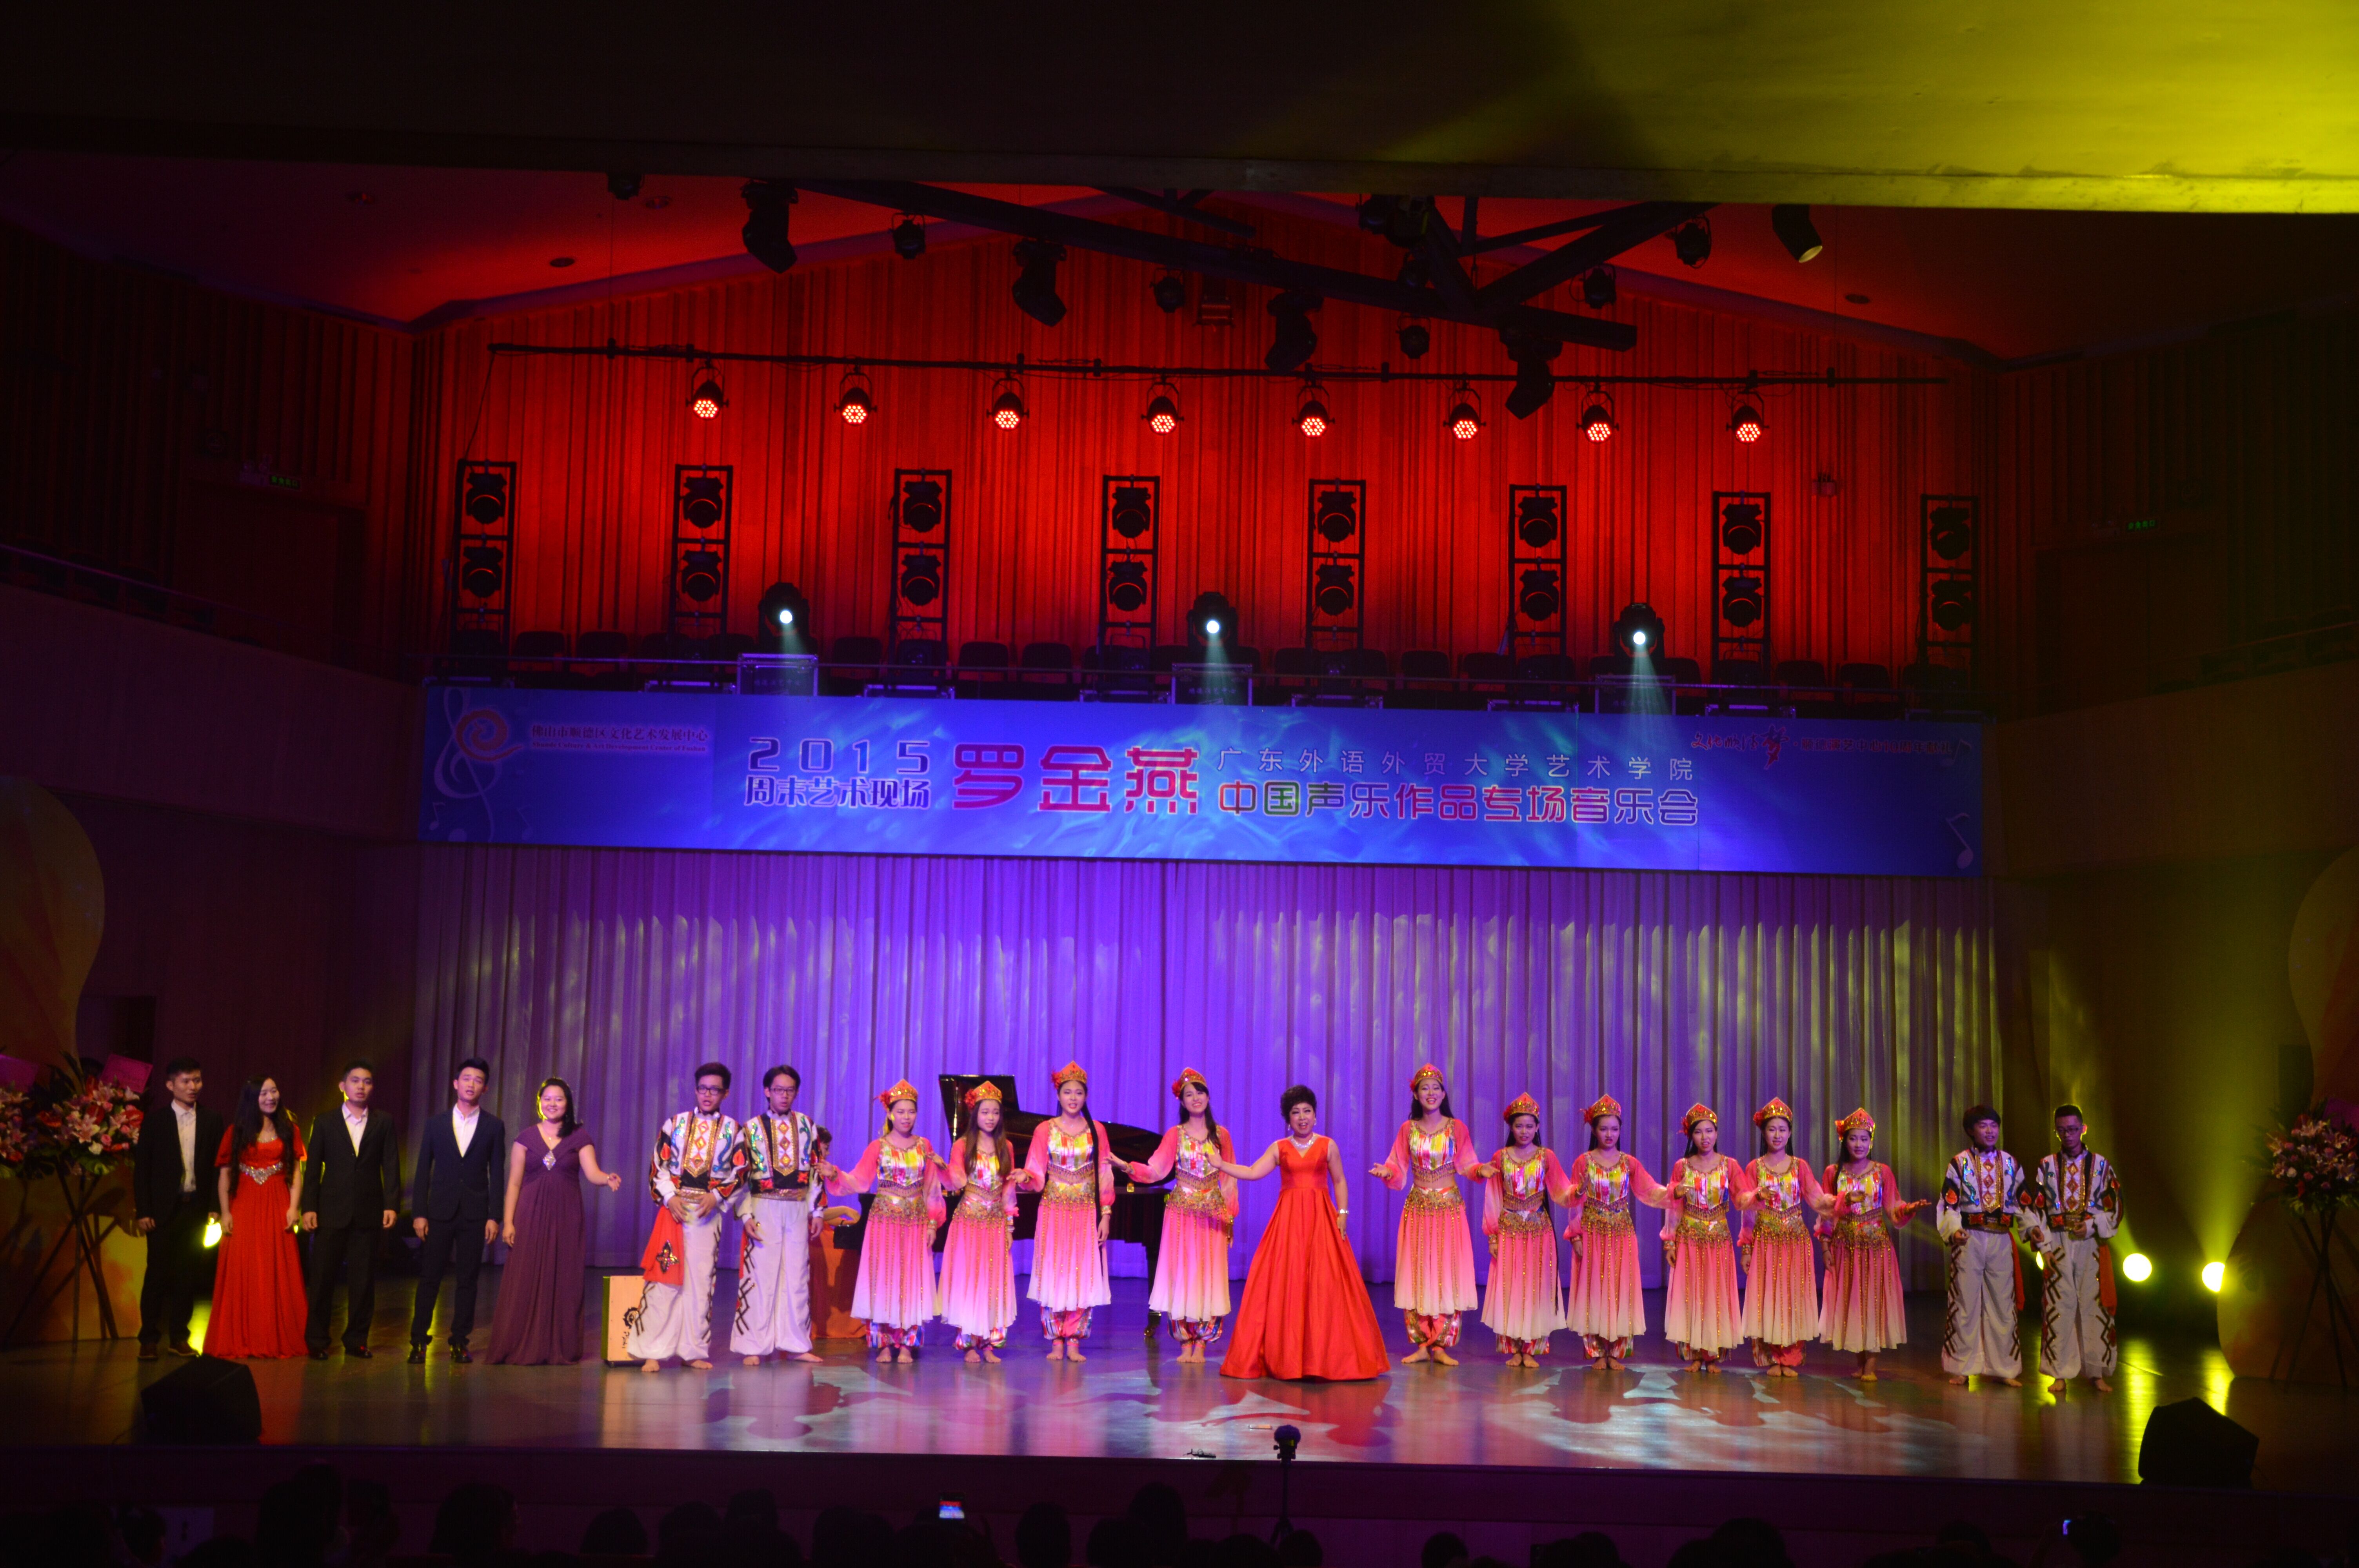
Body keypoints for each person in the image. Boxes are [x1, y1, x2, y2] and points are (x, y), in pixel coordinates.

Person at [1214, 1083, 1389, 1380]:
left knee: (1326, 1284)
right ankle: (1288, 1357)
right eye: (1296, 1113)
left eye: (1307, 1111)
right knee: (1288, 1282)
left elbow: (1340, 1181)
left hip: (1321, 1220)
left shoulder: (1328, 1146)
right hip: (1289, 1223)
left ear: (1316, 1116)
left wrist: (1343, 1214)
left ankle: (1328, 1359)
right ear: (1288, 1119)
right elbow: (1253, 1172)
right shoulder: (1280, 1148)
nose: (1303, 1117)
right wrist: (1222, 1165)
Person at [482, 1076, 623, 1364]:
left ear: (568, 1104)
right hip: (530, 1215)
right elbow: (514, 1184)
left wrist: (606, 1178)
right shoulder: (525, 1139)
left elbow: (592, 1172)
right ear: (540, 1103)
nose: (553, 1104)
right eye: (547, 1099)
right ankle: (520, 1343)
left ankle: (559, 1346)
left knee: (564, 1277)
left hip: (566, 1216)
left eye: (559, 1099)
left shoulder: (579, 1137)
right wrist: (508, 1221)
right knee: (525, 1277)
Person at [628, 1062, 747, 1372]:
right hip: (675, 1213)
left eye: (715, 1090)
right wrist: (670, 1198)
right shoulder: (675, 1124)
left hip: (707, 1215)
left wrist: (717, 1196)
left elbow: (741, 1172)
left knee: (700, 1282)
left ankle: (692, 1350)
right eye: (703, 1088)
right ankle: (653, 1350)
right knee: (665, 1280)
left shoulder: (734, 1130)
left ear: (725, 1093)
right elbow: (658, 1167)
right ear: (695, 1090)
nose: (708, 1095)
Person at [1113, 1067, 1238, 1361]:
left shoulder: (1221, 1136)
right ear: (1182, 1102)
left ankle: (1202, 1342)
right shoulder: (1175, 1135)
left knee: (1208, 1275)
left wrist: (1230, 1218)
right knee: (1183, 1274)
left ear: (1208, 1097)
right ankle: (1185, 1341)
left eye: (1200, 1092)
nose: (1196, 1098)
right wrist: (1128, 1167)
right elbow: (1156, 1170)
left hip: (1212, 1214)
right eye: (1189, 1095)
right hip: (1182, 1214)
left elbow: (1230, 1180)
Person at [818, 1079, 946, 1361]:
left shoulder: (924, 1146)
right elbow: (860, 1181)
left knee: (911, 1280)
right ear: (890, 1114)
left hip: (915, 1221)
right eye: (900, 1112)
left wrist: (932, 1223)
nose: (906, 1117)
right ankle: (885, 1342)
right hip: (884, 1222)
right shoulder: (879, 1147)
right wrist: (835, 1174)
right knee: (884, 1279)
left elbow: (932, 1189)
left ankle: (908, 1342)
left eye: (911, 1111)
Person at [1369, 1064, 1488, 1365]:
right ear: (1416, 1095)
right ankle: (1422, 1344)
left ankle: (1442, 1345)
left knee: (1448, 1273)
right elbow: (1398, 1166)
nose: (1431, 1093)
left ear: (1444, 1094)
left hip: (1449, 1209)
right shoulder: (1408, 1129)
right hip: (1418, 1208)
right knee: (1418, 1273)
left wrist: (1480, 1170)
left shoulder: (1457, 1128)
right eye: (1425, 1088)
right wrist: (1388, 1172)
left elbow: (1468, 1164)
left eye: (1436, 1088)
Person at [408, 1057, 507, 1364]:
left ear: (485, 1088)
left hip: (475, 1214)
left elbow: (497, 1174)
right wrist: (419, 1213)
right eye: (466, 1078)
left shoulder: (494, 1126)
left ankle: (459, 1341)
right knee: (430, 1278)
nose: (471, 1084)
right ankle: (418, 1341)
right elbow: (423, 1170)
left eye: (478, 1080)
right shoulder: (435, 1124)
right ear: (455, 1083)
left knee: (468, 1280)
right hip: (439, 1211)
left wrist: (495, 1216)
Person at [302, 1059, 403, 1359]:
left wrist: (392, 1205)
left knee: (363, 1282)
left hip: (368, 1211)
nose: (361, 1086)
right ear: (343, 1086)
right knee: (322, 1280)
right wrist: (309, 1207)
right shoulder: (325, 1122)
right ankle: (317, 1340)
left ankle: (357, 1339)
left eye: (367, 1082)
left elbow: (391, 1165)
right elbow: (312, 1169)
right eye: (355, 1081)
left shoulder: (383, 1121)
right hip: (331, 1211)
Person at [1816, 1108, 1927, 1380]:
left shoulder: (1882, 1172)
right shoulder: (1833, 1173)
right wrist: (1826, 1247)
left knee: (1874, 1303)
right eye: (1853, 1138)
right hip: (1845, 1247)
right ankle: (1860, 1363)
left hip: (1876, 1248)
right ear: (1844, 1141)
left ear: (1871, 1142)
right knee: (1852, 1303)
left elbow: (1893, 1208)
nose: (1859, 1144)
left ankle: (1872, 1366)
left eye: (1864, 1139)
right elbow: (1826, 1214)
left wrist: (1909, 1209)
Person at [205, 1074, 308, 1358]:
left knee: (277, 1267)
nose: (271, 1097)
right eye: (264, 1093)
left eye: (274, 1091)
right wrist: (226, 1212)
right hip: (245, 1203)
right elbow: (225, 1176)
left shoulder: (289, 1129)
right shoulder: (236, 1131)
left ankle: (274, 1336)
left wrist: (294, 1207)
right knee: (244, 1266)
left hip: (278, 1203)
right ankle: (242, 1336)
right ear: (252, 1098)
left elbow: (296, 1173)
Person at [1559, 1094, 1665, 1370]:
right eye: (1604, 1129)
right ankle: (1596, 1351)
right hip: (1592, 1233)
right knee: (1593, 1291)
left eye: (1615, 1129)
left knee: (1621, 1290)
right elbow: (1573, 1201)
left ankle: (1616, 1352)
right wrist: (1576, 1235)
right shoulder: (1583, 1162)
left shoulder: (1629, 1163)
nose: (1610, 1134)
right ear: (1594, 1131)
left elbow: (1650, 1190)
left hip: (1621, 1234)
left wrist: (1673, 1193)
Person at [732, 1064, 825, 1366]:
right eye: (779, 1090)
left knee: (796, 1276)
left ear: (796, 1093)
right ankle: (754, 1345)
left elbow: (816, 1170)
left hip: (797, 1208)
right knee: (760, 1276)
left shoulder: (807, 1125)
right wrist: (746, 1215)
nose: (785, 1096)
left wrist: (817, 1211)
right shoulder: (750, 1129)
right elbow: (740, 1176)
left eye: (790, 1090)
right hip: (764, 1206)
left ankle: (796, 1343)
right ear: (767, 1092)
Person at [132, 1056, 224, 1361]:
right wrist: (144, 1210)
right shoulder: (155, 1121)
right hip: (162, 1212)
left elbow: (218, 1167)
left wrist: (214, 1206)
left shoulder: (212, 1120)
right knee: (157, 1275)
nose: (193, 1086)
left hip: (195, 1208)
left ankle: (179, 1337)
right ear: (171, 1085)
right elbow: (142, 1170)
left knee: (188, 1275)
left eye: (197, 1080)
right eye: (186, 1081)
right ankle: (148, 1338)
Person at [1022, 1062, 1114, 1360]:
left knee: (1081, 1272)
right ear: (1058, 1096)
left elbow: (1104, 1174)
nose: (1073, 1098)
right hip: (1054, 1209)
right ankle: (1055, 1339)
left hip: (1085, 1211)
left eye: (1078, 1093)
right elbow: (1036, 1172)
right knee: (1054, 1270)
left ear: (1086, 1096)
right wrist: (1025, 1177)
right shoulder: (1045, 1130)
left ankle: (1074, 1339)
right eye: (1067, 1092)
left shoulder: (1097, 1131)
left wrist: (1106, 1214)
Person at [1936, 1103, 2032, 1387]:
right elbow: (1949, 1203)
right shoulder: (1959, 1163)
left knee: (2003, 1303)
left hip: (2001, 1238)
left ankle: (2005, 1369)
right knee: (1965, 1301)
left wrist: (2034, 1229)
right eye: (1983, 1126)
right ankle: (1961, 1367)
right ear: (1971, 1131)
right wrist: (1954, 1230)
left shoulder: (2011, 1163)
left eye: (1994, 1126)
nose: (1990, 1131)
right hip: (1970, 1237)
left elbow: (2024, 1201)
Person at [2029, 1103, 2121, 1394]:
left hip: (2090, 1244)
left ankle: (2096, 1371)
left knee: (2094, 1305)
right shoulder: (2046, 1166)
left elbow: (2115, 1208)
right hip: (2058, 1241)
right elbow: (2037, 1209)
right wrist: (2044, 1246)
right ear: (2056, 1132)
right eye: (2062, 1131)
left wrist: (2092, 1226)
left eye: (2072, 1129)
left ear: (2083, 1129)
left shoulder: (2102, 1166)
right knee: (2059, 1304)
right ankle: (2060, 1373)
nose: (2068, 1135)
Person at [1478, 1093, 1576, 1368]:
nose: (1524, 1131)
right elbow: (1493, 1197)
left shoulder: (1546, 1157)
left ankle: (1532, 1348)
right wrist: (1492, 1236)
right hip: (1509, 1230)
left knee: (1536, 1288)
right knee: (1511, 1288)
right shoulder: (1501, 1157)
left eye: (1530, 1126)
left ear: (1537, 1127)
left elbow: (1561, 1191)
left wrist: (1577, 1192)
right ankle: (1513, 1348)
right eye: (1519, 1126)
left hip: (1538, 1231)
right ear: (1512, 1128)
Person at [1659, 1103, 1754, 1373]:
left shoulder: (1730, 1166)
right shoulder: (1682, 1167)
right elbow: (1673, 1207)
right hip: (1689, 1238)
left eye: (1710, 1131)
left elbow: (1742, 1199)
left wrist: (1755, 1196)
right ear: (1691, 1136)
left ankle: (1713, 1355)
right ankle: (1695, 1355)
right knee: (1691, 1295)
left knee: (1716, 1295)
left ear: (1717, 1133)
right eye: (1699, 1132)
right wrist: (1670, 1242)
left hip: (1718, 1240)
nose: (1705, 1137)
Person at [1738, 1097, 1827, 1376]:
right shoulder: (1754, 1168)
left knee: (1793, 1298)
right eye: (1772, 1129)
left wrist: (1842, 1201)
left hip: (1795, 1242)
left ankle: (1791, 1358)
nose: (1777, 1135)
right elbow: (1748, 1213)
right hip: (1766, 1241)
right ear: (1764, 1133)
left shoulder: (1800, 1167)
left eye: (1782, 1130)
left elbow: (1818, 1199)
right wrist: (1746, 1248)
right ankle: (1773, 1358)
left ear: (1790, 1134)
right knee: (1768, 1299)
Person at [937, 1080, 1022, 1360]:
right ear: (975, 1114)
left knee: (992, 1282)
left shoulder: (1006, 1146)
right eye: (985, 1112)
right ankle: (968, 1343)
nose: (991, 1118)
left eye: (995, 1113)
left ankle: (989, 1343)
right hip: (969, 1222)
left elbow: (1009, 1190)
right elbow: (955, 1181)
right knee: (969, 1279)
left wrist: (1009, 1226)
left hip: (995, 1223)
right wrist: (942, 1169)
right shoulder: (963, 1145)